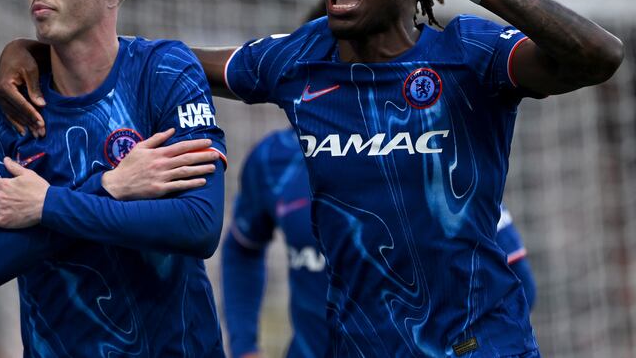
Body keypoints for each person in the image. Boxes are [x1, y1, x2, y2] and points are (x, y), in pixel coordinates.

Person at [0, 0, 623, 356]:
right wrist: (40, 49)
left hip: (478, 344)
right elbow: (165, 62)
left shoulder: (467, 54)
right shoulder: (301, 58)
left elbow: (599, 55)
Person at [0, 0, 229, 356]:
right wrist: (109, 186)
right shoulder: (7, 99)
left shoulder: (164, 71)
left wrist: (47, 205)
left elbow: (199, 224)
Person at [222, 126, 537, 358]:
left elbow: (518, 282)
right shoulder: (274, 159)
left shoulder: (431, 151)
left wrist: (456, 350)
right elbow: (242, 247)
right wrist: (244, 346)